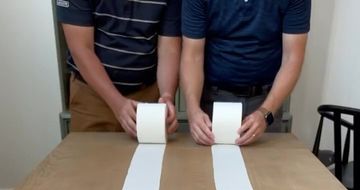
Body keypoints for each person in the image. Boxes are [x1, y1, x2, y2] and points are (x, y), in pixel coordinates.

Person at [181, 0, 311, 146]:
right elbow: (192, 56)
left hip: (267, 100)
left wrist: (266, 114)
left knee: (268, 166)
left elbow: (292, 59)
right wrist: (192, 109)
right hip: (214, 100)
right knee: (208, 166)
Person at [56, 0, 182, 135]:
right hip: (93, 96)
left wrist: (166, 96)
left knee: (150, 155)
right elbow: (81, 49)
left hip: (147, 96)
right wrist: (118, 104)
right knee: (90, 154)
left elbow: (169, 49)